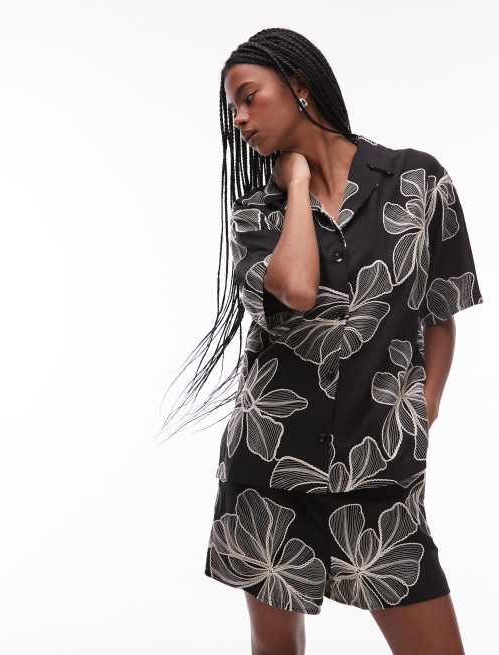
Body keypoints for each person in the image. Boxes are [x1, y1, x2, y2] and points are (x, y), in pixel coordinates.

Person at [158, 28, 484, 655]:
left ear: (300, 86)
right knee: (277, 649)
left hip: (380, 469)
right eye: (232, 109)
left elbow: (442, 309)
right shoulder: (257, 213)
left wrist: (426, 404)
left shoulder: (418, 181)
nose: (240, 119)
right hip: (269, 472)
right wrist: (298, 185)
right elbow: (298, 288)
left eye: (249, 97)